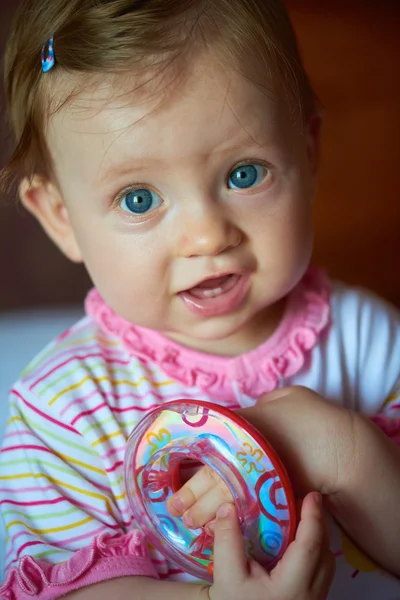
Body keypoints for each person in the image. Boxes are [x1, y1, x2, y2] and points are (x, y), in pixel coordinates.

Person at [0, 0, 399, 598]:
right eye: (139, 199)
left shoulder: (370, 340)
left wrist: (342, 453)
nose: (208, 235)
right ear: (61, 217)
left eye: (244, 174)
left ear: (308, 153)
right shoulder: (64, 410)